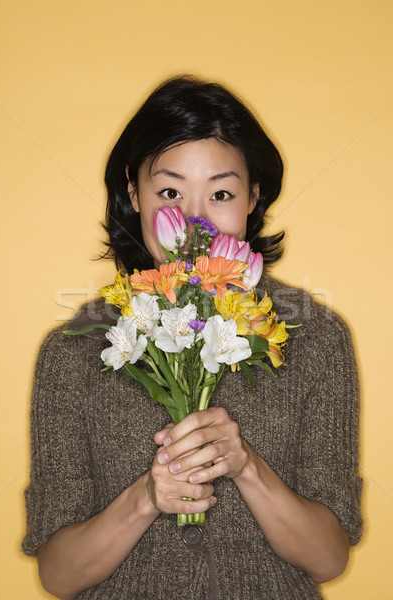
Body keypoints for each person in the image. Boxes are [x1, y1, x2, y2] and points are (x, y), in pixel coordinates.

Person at [22, 76, 363, 600]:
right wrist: (145, 498)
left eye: (221, 192)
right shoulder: (74, 350)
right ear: (134, 194)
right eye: (170, 192)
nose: (195, 222)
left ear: (254, 197)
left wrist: (246, 466)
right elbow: (58, 574)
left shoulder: (315, 338)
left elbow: (329, 557)